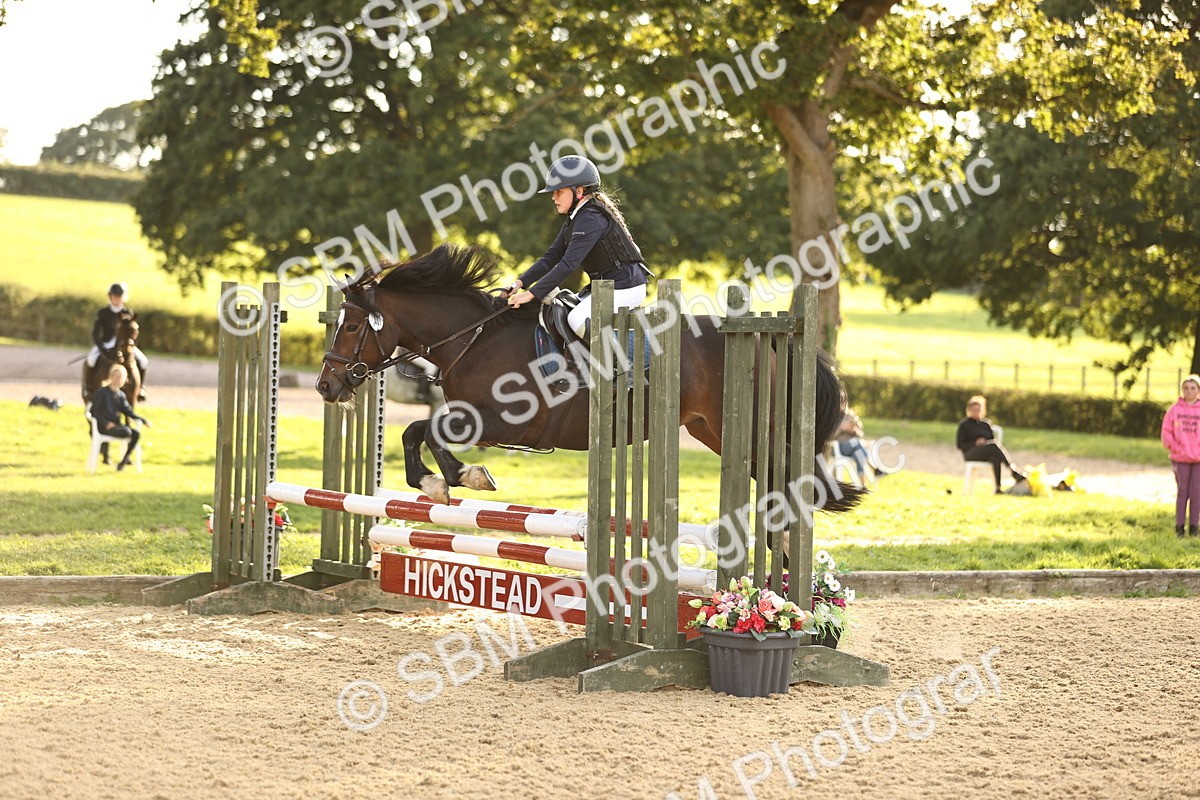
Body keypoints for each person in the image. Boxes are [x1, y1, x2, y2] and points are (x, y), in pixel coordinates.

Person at [503, 155, 650, 337]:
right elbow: (551, 257)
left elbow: (568, 264)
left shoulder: (591, 219)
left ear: (579, 191)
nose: (553, 197)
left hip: (626, 288)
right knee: (557, 305)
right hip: (606, 287)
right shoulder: (577, 217)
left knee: (576, 319)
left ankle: (621, 355)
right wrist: (518, 283)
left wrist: (530, 294)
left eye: (559, 191)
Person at [87, 283, 149, 400]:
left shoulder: (128, 313)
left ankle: (140, 388)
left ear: (123, 297)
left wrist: (132, 345)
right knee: (91, 360)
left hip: (125, 345)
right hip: (107, 343)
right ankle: (88, 387)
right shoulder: (103, 312)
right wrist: (101, 347)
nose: (116, 299)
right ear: (110, 296)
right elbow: (96, 333)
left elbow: (134, 332)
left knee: (143, 361)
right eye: (114, 296)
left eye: (119, 296)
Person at [956, 395, 1025, 494]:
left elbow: (991, 439)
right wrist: (975, 443)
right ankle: (1012, 470)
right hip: (970, 453)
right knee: (993, 445)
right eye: (974, 410)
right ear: (969, 410)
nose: (976, 412)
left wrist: (985, 443)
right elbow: (960, 445)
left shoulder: (985, 424)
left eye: (978, 410)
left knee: (995, 458)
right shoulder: (964, 424)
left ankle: (998, 488)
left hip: (986, 452)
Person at [1161, 374, 1200, 537]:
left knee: (1196, 492)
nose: (1189, 391)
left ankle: (1194, 526)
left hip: (1198, 459)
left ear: (1198, 390)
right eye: (1186, 388)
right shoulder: (1174, 410)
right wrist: (1176, 448)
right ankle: (1179, 526)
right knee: (1183, 491)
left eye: (1193, 388)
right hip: (1180, 458)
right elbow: (1166, 433)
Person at [91, 364, 151, 471]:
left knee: (136, 434)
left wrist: (143, 420)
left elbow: (128, 411)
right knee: (126, 431)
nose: (118, 379)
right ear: (111, 376)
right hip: (104, 427)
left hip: (117, 427)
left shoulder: (121, 395)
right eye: (116, 377)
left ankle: (124, 461)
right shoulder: (102, 392)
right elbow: (93, 411)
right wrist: (106, 423)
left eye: (121, 377)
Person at [834, 408, 880, 485]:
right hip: (840, 447)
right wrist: (841, 429)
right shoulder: (834, 417)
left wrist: (854, 430)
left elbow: (861, 435)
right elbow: (829, 436)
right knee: (857, 445)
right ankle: (873, 468)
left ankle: (862, 485)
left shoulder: (851, 416)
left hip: (854, 448)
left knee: (858, 454)